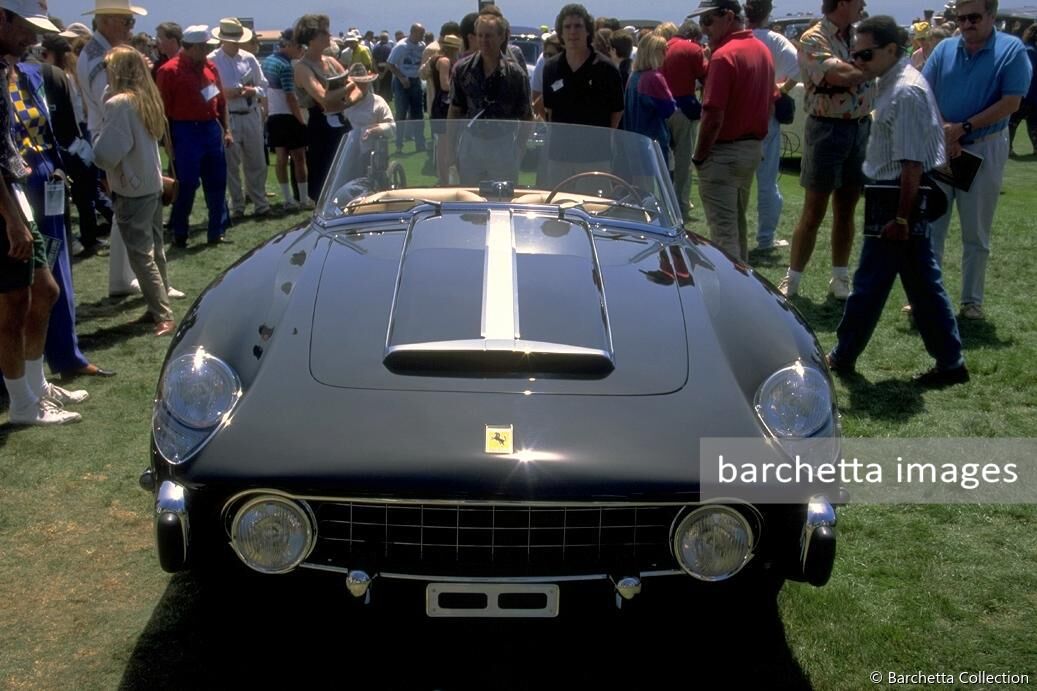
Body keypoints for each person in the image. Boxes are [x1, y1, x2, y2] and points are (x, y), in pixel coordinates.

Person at [826, 16, 967, 387]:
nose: (857, 61)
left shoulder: (905, 91)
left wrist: (902, 218)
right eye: (854, 54)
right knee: (922, 285)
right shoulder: (890, 83)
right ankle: (951, 363)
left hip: (897, 199)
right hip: (892, 195)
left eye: (865, 54)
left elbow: (912, 164)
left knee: (870, 284)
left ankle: (843, 355)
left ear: (891, 50)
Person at [0, 1, 84, 425]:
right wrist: (13, 219)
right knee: (14, 301)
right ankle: (22, 403)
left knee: (43, 291)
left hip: (17, 193)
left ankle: (33, 388)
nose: (33, 39)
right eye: (24, 27)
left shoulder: (10, 70)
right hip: (8, 200)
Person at [922, 0, 1032, 321]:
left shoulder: (1012, 50)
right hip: (943, 146)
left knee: (976, 231)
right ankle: (927, 296)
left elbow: (1011, 102)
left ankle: (972, 301)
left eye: (973, 17)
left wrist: (963, 128)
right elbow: (924, 91)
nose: (966, 24)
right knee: (931, 227)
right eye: (961, 18)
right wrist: (946, 130)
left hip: (984, 147)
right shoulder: (944, 48)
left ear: (991, 16)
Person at [778, 0, 873, 299]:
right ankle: (793, 279)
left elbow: (853, 72)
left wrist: (858, 69)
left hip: (859, 126)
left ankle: (840, 278)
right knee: (814, 210)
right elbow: (838, 76)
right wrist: (870, 67)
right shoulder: (813, 38)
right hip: (827, 129)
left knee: (847, 208)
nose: (864, 4)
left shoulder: (860, 35)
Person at [93, 45, 175, 337]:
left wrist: (94, 143)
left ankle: (162, 313)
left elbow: (105, 154)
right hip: (151, 182)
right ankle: (159, 306)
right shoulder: (146, 98)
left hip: (133, 187)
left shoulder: (120, 104)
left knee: (141, 254)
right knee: (155, 250)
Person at [689, 0, 775, 262]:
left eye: (707, 21)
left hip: (723, 153)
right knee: (737, 227)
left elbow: (713, 114)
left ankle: (729, 286)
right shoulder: (762, 50)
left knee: (724, 235)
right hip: (751, 150)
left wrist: (699, 157)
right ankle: (742, 280)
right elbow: (770, 103)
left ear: (728, 17)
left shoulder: (723, 55)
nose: (704, 29)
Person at [78, 0, 148, 299]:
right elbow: (110, 101)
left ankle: (124, 277)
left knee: (126, 209)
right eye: (127, 22)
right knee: (133, 205)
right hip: (115, 135)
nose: (131, 29)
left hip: (114, 132)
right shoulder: (100, 59)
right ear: (107, 21)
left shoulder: (98, 52)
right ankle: (128, 277)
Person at [156, 25, 232, 248]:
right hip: (185, 131)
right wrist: (167, 141)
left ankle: (216, 230)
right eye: (204, 48)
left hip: (210, 128)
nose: (207, 52)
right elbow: (162, 111)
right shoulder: (169, 71)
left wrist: (226, 129)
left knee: (217, 181)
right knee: (187, 184)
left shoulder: (210, 68)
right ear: (192, 47)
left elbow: (221, 102)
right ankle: (180, 231)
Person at [446, 11, 532, 185]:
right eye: (480, 35)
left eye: (489, 36)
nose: (484, 41)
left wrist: (519, 149)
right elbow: (454, 111)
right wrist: (450, 149)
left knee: (502, 197)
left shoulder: (515, 74)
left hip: (503, 144)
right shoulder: (463, 70)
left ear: (501, 37)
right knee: (469, 196)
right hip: (471, 144)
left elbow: (527, 117)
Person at [746, 0, 801, 253]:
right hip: (767, 116)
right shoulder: (776, 40)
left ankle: (735, 238)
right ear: (768, 13)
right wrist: (779, 91)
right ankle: (765, 238)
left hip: (739, 114)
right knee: (767, 182)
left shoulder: (738, 38)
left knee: (738, 181)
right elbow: (798, 68)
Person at [293, 14, 360, 204]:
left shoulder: (330, 61)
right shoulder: (302, 67)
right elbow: (323, 98)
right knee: (324, 173)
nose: (329, 35)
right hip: (319, 126)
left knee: (348, 170)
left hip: (341, 121)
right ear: (311, 38)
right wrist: (349, 86)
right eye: (323, 32)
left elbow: (356, 90)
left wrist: (345, 102)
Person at [209, 18, 270, 219]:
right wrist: (225, 93)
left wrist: (252, 91)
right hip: (229, 115)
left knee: (257, 161)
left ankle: (260, 202)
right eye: (233, 40)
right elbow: (207, 91)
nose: (237, 44)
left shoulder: (249, 58)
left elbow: (263, 85)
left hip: (250, 112)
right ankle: (237, 205)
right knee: (231, 164)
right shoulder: (212, 60)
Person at [542, 4, 624, 129]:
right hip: (560, 140)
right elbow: (549, 109)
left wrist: (608, 138)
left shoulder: (606, 68)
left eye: (578, 26)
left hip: (596, 140)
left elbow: (617, 111)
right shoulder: (551, 68)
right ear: (561, 33)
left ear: (588, 31)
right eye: (567, 27)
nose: (572, 31)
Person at [661, 19, 707, 223]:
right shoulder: (692, 49)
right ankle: (680, 204)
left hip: (661, 109)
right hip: (683, 110)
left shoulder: (663, 46)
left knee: (663, 160)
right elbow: (706, 75)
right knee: (683, 161)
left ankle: (662, 202)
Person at [262, 28, 311, 210]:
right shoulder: (286, 66)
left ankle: (288, 199)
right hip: (289, 116)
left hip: (273, 116)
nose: (301, 51)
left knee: (281, 159)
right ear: (290, 45)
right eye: (299, 47)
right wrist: (301, 121)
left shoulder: (267, 61)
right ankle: (304, 199)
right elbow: (290, 97)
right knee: (299, 158)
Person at [623, 34, 676, 166]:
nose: (666, 54)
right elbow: (669, 110)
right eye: (664, 50)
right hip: (653, 143)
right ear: (654, 52)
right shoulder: (654, 78)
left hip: (633, 141)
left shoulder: (633, 76)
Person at [338, 63, 395, 182]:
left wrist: (374, 129)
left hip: (370, 150)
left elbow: (391, 127)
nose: (360, 87)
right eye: (356, 84)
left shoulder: (378, 102)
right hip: (346, 150)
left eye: (363, 83)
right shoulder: (343, 103)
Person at [386, 23, 426, 154]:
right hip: (401, 82)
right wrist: (401, 77)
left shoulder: (422, 46)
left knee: (418, 113)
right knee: (401, 113)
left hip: (415, 81)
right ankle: (399, 145)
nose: (422, 36)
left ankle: (420, 144)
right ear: (413, 32)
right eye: (421, 33)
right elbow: (390, 64)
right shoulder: (401, 46)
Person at [1008, 23, 1037, 156]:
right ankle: (1008, 148)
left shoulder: (1029, 49)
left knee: (1031, 121)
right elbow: (1028, 73)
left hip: (1029, 93)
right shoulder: (1030, 51)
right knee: (1014, 121)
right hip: (1027, 93)